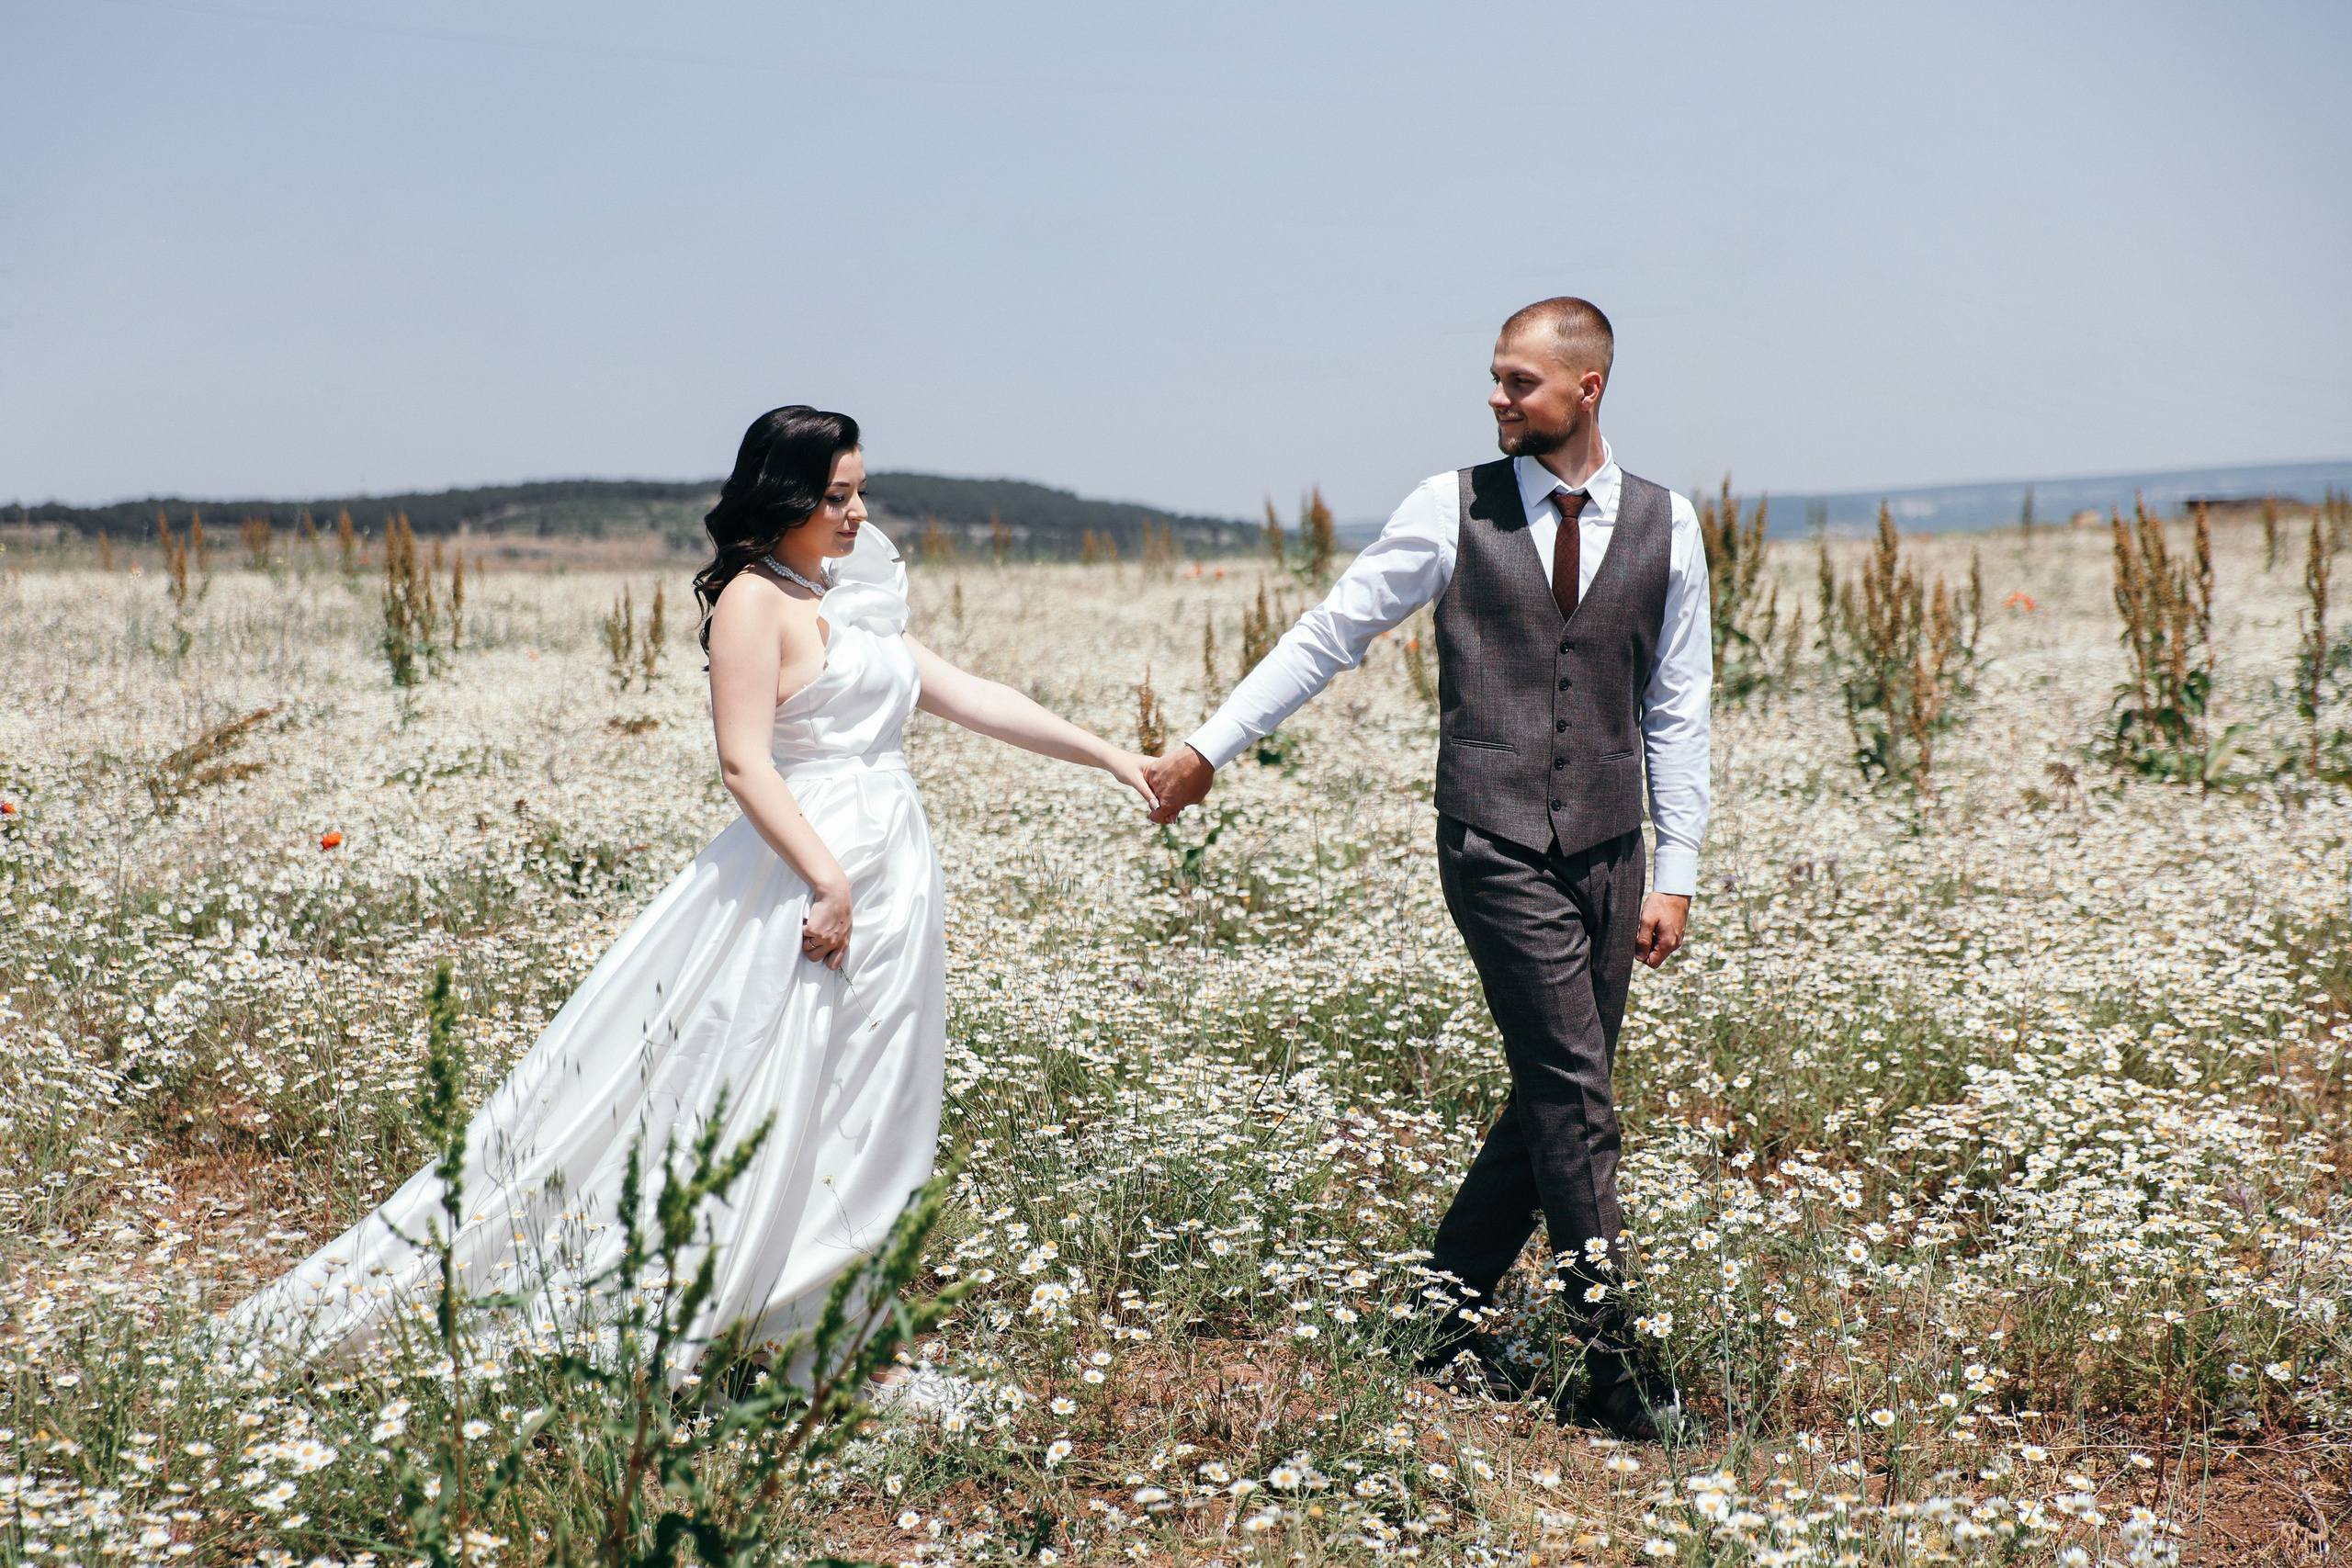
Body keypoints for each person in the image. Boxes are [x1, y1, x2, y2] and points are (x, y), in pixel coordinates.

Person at [231, 406, 1159, 1366]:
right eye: (836, 496)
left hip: (896, 868)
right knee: (773, 1078)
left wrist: (1112, 756)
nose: (855, 513)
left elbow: (969, 694)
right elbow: (744, 762)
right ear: (787, 496)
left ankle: (830, 1321)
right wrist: (826, 881)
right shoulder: (755, 602)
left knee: (871, 1090)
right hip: (808, 871)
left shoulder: (849, 593)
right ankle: (742, 1307)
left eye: (860, 493)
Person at [1143, 299, 1712, 1442]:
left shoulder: (1669, 523)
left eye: (1520, 384)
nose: (1497, 400)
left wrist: (1677, 864)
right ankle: (1613, 1360)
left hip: (1612, 848)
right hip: (1494, 841)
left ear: (1587, 387)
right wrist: (1209, 746)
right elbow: (1328, 632)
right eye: (1495, 381)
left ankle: (1442, 1315)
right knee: (1577, 1093)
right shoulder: (1447, 507)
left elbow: (1677, 702)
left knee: (1559, 1088)